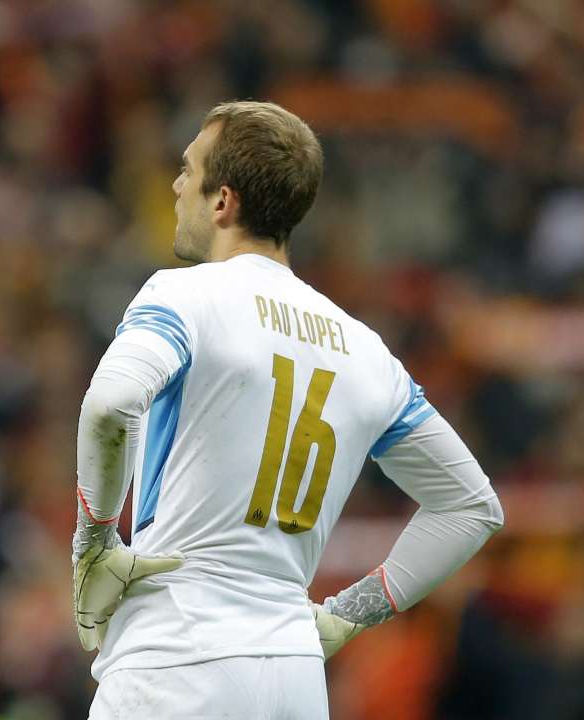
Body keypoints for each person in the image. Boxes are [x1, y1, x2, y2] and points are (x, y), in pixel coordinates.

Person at [71, 100, 505, 719]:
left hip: (176, 655)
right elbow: (471, 505)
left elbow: (111, 404)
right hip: (296, 674)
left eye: (188, 170)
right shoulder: (365, 349)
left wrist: (93, 544)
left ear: (223, 201)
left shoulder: (185, 295)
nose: (175, 186)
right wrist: (346, 617)